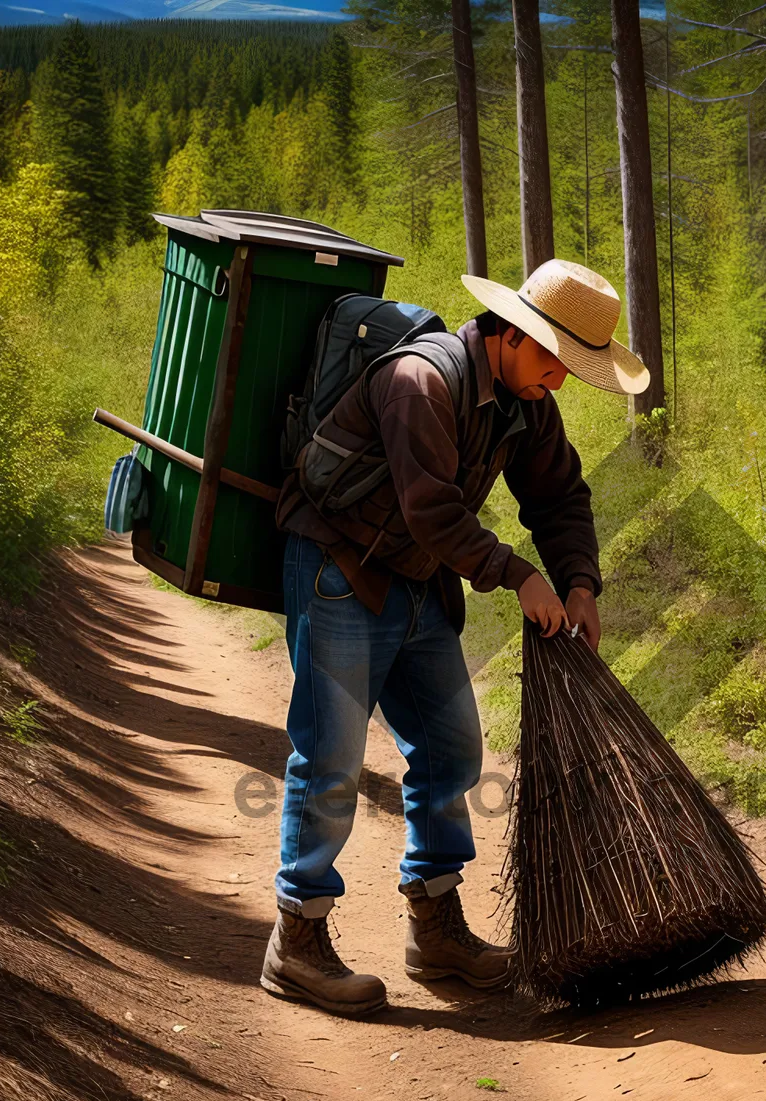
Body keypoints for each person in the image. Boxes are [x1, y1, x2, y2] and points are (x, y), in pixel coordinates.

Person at [261, 259, 650, 1015]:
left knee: (452, 753)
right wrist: (516, 574)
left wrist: (579, 583)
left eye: (572, 369)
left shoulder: (527, 400)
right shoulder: (421, 381)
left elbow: (560, 494)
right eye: (552, 360)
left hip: (418, 580)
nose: (560, 381)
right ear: (508, 333)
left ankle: (434, 930)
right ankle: (297, 940)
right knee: (331, 758)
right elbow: (429, 509)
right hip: (338, 568)